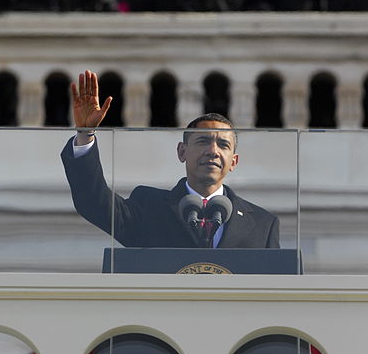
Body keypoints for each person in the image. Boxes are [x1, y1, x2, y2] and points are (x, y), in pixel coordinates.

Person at [61, 70, 280, 249]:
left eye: (223, 145)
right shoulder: (148, 208)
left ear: (233, 161)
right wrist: (85, 134)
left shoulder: (263, 224)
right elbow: (93, 202)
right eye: (202, 141)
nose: (213, 151)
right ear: (182, 152)